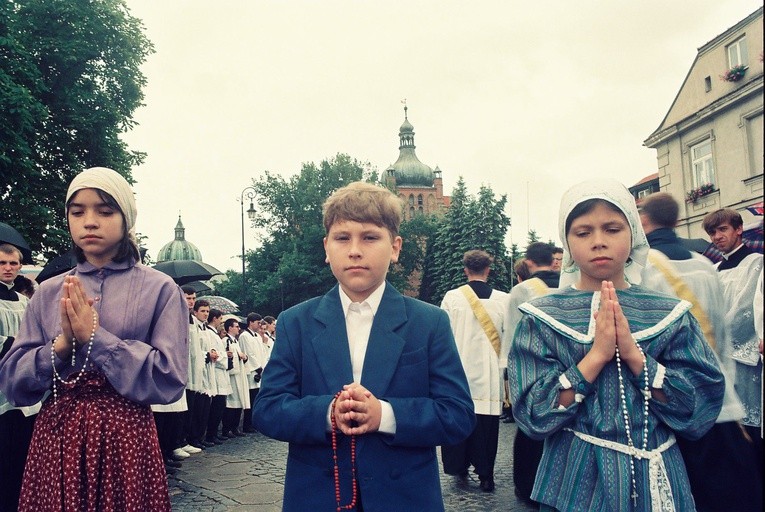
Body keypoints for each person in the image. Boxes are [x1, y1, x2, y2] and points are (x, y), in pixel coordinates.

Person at [253, 181, 475, 511]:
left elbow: (456, 414)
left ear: (396, 247)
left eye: (370, 237)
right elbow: (267, 409)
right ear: (327, 248)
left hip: (405, 499)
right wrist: (327, 413)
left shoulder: (429, 323)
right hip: (317, 498)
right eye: (343, 238)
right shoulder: (295, 322)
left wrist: (383, 414)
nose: (355, 249)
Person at [508, 178, 725, 511]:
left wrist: (637, 358)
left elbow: (699, 409)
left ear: (633, 234)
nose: (598, 242)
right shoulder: (541, 317)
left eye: (612, 229)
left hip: (657, 477)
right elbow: (533, 414)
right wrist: (595, 357)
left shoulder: (668, 312)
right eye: (583, 232)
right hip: (575, 482)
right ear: (567, 242)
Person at [0, 167, 188, 511]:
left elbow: (169, 377)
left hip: (125, 438)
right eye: (77, 212)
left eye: (104, 211)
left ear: (125, 218)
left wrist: (94, 338)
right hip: (57, 437)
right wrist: (59, 348)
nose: (89, 221)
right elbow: (12, 382)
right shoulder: (48, 293)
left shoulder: (160, 289)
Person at [640, 192, 760, 511]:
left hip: (669, 400)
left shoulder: (641, 268)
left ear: (643, 220)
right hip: (716, 395)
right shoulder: (705, 265)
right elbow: (722, 331)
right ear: (677, 220)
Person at [439, 249, 511, 492]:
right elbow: (508, 336)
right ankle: (486, 476)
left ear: (465, 270)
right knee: (486, 427)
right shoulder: (504, 299)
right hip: (490, 373)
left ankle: (458, 467)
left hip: (458, 371)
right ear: (488, 270)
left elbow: (443, 335)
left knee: (459, 419)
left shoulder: (452, 297)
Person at [703, 208, 764, 468]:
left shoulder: (756, 262)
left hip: (742, 355)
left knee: (751, 425)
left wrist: (716, 338)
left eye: (722, 229)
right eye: (712, 232)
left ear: (739, 229)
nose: (717, 237)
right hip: (718, 356)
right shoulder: (713, 268)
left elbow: (746, 309)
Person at [506, 242, 560, 505]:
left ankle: (527, 486)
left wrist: (508, 375)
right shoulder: (568, 283)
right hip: (568, 368)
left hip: (533, 368)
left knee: (529, 429)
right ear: (553, 260)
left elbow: (513, 333)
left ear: (528, 263)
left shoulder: (522, 290)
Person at [0, 243, 40, 512]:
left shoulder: (25, 301)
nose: (8, 268)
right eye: (2, 263)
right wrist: (12, 343)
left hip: (22, 382)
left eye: (13, 264)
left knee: (21, 456)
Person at [221, 317, 249, 437]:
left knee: (239, 402)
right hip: (232, 376)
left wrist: (244, 357)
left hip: (239, 375)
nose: (238, 328)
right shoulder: (225, 341)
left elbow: (241, 356)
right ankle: (226, 429)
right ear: (230, 328)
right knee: (231, 404)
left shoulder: (235, 341)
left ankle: (235, 427)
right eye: (236, 326)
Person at [238, 312, 265, 433]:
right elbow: (249, 353)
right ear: (251, 322)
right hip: (251, 371)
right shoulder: (245, 336)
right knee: (250, 399)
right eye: (258, 322)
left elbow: (261, 353)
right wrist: (258, 367)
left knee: (256, 399)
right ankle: (247, 425)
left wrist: (263, 367)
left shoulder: (258, 336)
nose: (260, 325)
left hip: (259, 370)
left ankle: (254, 423)